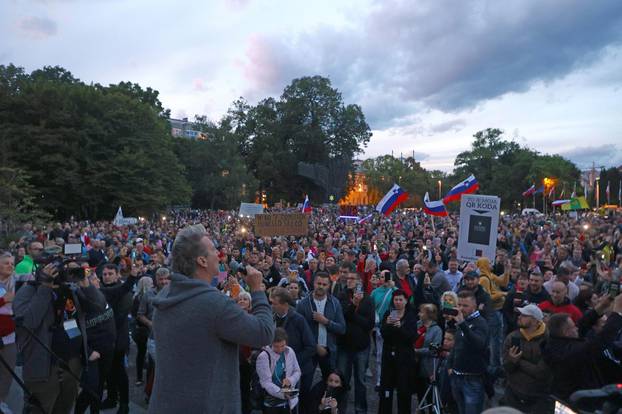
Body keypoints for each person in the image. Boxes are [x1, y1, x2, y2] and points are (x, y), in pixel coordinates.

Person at [149, 224, 275, 414]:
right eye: (214, 249)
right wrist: (257, 290)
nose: (219, 254)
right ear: (202, 261)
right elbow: (264, 333)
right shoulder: (214, 304)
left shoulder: (166, 295)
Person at [13, 260, 107, 414]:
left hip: (72, 364)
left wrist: (84, 281)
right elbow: (29, 322)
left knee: (64, 408)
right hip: (44, 366)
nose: (62, 272)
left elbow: (98, 307)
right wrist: (45, 286)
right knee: (40, 408)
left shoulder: (70, 289)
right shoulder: (28, 290)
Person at [543, 293, 622, 401]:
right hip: (579, 400)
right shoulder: (569, 352)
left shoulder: (556, 340)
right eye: (573, 326)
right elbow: (601, 340)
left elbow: (583, 324)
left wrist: (602, 306)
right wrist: (617, 312)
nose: (577, 328)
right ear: (566, 332)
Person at [74, 270, 117, 414]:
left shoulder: (102, 295)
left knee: (98, 388)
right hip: (91, 352)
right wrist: (87, 350)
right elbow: (71, 330)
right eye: (93, 280)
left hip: (108, 349)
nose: (98, 281)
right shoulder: (76, 300)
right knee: (90, 388)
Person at [99, 263, 139, 414]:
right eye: (105, 274)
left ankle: (124, 403)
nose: (107, 277)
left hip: (117, 338)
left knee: (119, 372)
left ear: (117, 275)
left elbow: (120, 317)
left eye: (110, 274)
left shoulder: (123, 291)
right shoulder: (101, 289)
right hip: (104, 339)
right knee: (108, 372)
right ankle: (111, 398)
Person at [269, 287, 315, 414]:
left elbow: (311, 346)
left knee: (295, 407)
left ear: (284, 304)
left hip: (299, 372)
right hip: (276, 373)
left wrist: (291, 363)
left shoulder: (298, 320)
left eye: (274, 303)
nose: (271, 306)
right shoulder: (271, 318)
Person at [336, 270, 375, 414]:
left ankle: (361, 410)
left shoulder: (368, 299)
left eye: (352, 278)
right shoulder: (341, 295)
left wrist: (352, 315)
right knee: (342, 380)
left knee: (361, 381)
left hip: (361, 347)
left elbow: (369, 324)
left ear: (359, 281)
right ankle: (340, 409)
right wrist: (353, 306)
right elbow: (342, 315)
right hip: (344, 345)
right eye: (348, 278)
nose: (349, 280)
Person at [502, 304, 552, 413]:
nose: (519, 317)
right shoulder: (512, 337)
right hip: (513, 392)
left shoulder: (548, 339)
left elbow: (541, 372)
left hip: (538, 396)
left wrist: (518, 361)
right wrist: (511, 361)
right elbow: (506, 367)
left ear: (535, 320)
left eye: (524, 315)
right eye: (520, 314)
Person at [296, 272, 346, 379]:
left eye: (324, 284)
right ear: (313, 283)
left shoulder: (335, 303)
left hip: (329, 351)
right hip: (309, 352)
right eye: (319, 283)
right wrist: (315, 346)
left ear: (329, 286)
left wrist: (326, 321)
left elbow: (342, 328)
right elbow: (298, 331)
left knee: (329, 384)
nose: (321, 287)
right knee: (305, 384)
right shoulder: (303, 304)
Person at [447, 290, 490, 414]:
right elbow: (456, 346)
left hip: (472, 379)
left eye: (465, 306)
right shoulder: (463, 322)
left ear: (474, 306)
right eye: (459, 305)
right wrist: (450, 366)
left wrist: (462, 324)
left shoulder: (481, 323)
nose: (461, 309)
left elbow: (479, 344)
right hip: (457, 375)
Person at [378, 289, 418, 414]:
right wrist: (387, 325)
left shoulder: (410, 316)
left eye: (401, 299)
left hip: (404, 357)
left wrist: (400, 327)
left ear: (406, 301)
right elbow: (383, 335)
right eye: (396, 299)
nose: (398, 302)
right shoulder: (389, 314)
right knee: (386, 388)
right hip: (389, 355)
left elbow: (411, 338)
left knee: (403, 390)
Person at [477, 257, 510, 378]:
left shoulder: (489, 275)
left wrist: (507, 270)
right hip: (492, 312)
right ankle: (493, 367)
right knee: (494, 341)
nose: (491, 264)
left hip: (497, 311)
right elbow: (487, 298)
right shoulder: (484, 279)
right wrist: (502, 294)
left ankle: (494, 365)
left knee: (497, 340)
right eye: (489, 262)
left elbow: (503, 283)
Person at [256, 327, 302, 414]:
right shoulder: (263, 357)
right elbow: (265, 382)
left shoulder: (290, 351)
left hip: (289, 402)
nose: (280, 349)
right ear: (271, 343)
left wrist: (290, 380)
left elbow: (297, 371)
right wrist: (282, 394)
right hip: (271, 403)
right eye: (276, 346)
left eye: (283, 346)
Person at [370, 269, 396, 388]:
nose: (383, 279)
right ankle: (380, 380)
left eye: (385, 276)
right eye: (381, 276)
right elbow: (371, 308)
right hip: (379, 327)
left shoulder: (395, 291)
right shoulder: (375, 292)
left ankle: (391, 379)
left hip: (392, 327)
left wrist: (392, 287)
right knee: (380, 355)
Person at [0, 252, 17, 407]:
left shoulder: (17, 281)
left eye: (12, 263)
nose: (10, 266)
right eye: (6, 263)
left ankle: (1, 401)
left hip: (10, 337)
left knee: (7, 373)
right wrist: (3, 300)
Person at [131, 276, 153, 386]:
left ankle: (139, 378)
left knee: (141, 353)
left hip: (140, 330)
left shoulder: (136, 297)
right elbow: (137, 315)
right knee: (147, 354)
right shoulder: (145, 297)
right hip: (144, 330)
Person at [236, 291, 254, 414]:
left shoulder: (253, 319)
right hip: (233, 360)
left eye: (245, 299)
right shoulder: (231, 318)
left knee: (245, 389)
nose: (242, 301)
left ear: (249, 304)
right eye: (239, 299)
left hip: (248, 360)